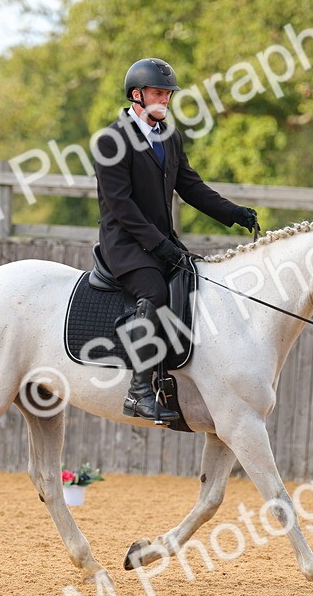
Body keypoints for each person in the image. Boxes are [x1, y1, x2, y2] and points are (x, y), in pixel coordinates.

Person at [94, 57, 260, 422]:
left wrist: (233, 213)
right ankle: (138, 391)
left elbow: (191, 187)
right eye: (158, 93)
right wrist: (159, 245)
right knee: (154, 292)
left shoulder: (169, 136)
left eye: (168, 95)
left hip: (159, 242)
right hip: (124, 243)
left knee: (198, 283)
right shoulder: (111, 140)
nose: (165, 100)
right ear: (137, 95)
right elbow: (121, 206)